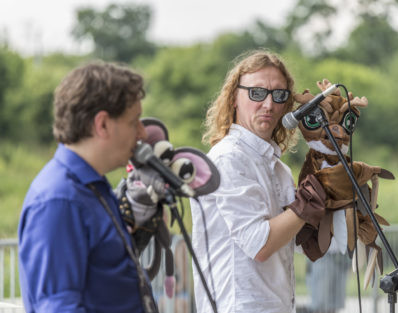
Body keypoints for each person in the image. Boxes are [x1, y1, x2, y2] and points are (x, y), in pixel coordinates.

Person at [189, 50, 326, 313]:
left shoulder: (279, 169)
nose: (269, 104)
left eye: (279, 95)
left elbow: (292, 235)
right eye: (257, 93)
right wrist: (305, 205)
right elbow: (259, 244)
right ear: (234, 99)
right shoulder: (229, 158)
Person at [18, 61, 158, 313]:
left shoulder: (91, 186)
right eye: (134, 121)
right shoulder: (59, 200)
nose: (143, 133)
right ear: (102, 124)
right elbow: (59, 307)